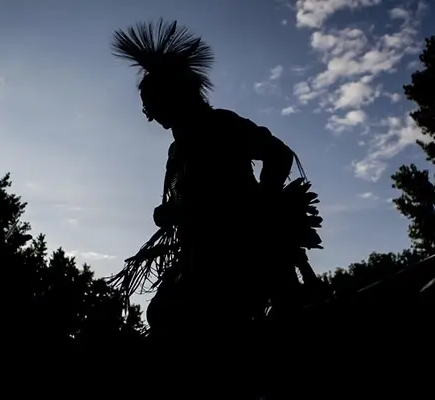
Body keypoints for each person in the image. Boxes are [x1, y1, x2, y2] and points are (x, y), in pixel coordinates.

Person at [108, 19, 323, 351]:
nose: (150, 116)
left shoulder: (220, 125)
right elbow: (192, 202)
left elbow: (278, 154)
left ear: (174, 98)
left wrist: (261, 204)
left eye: (152, 107)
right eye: (147, 110)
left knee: (203, 326)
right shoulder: (177, 150)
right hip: (201, 257)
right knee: (164, 316)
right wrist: (172, 213)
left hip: (239, 256)